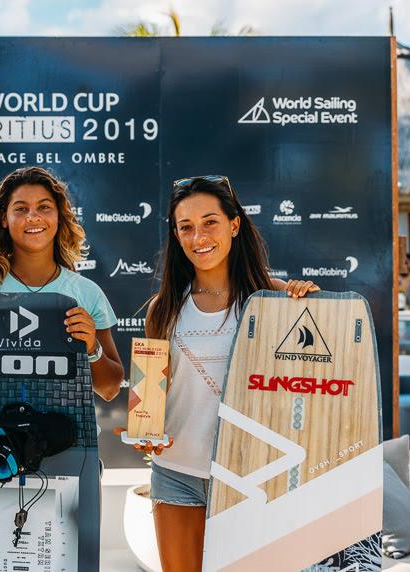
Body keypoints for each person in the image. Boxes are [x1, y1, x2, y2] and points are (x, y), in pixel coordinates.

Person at [142, 175, 319, 572]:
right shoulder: (163, 308)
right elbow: (149, 399)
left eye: (210, 222)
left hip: (253, 474)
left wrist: (313, 304)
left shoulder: (273, 298)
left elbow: (313, 382)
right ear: (176, 234)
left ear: (234, 225)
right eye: (185, 227)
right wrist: (144, 433)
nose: (198, 236)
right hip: (176, 473)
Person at [0, 166, 124, 400]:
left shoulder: (87, 293)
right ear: (4, 218)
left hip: (67, 434)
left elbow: (110, 389)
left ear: (59, 216)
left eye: (44, 207)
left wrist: (92, 348)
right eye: (21, 209)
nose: (33, 217)